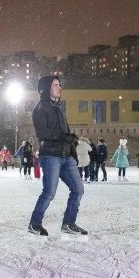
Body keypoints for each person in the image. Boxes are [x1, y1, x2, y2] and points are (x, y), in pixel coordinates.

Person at [28, 75, 87, 237]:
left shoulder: (58, 108)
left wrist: (73, 152)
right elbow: (43, 132)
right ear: (46, 88)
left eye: (60, 85)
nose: (60, 88)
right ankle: (34, 224)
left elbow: (66, 134)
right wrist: (63, 137)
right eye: (56, 85)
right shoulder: (40, 109)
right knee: (49, 192)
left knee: (78, 189)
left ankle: (68, 223)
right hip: (51, 156)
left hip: (66, 156)